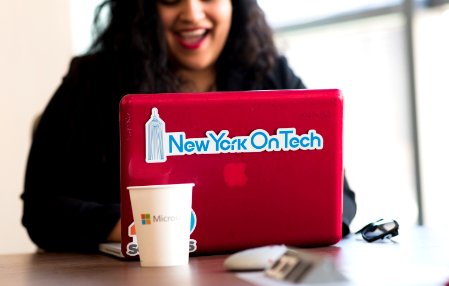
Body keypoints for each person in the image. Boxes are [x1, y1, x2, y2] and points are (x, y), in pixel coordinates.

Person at [21, 0, 356, 252]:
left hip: (250, 277)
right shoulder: (90, 82)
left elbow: (340, 200)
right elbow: (40, 210)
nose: (192, 14)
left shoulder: (270, 74)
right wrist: (130, 225)